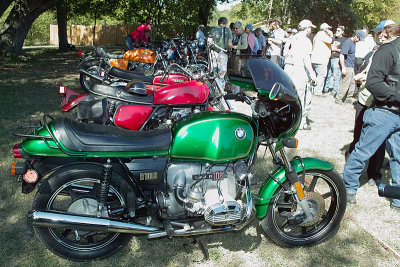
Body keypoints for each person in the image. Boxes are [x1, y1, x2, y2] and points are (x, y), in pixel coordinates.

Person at [343, 23, 400, 207]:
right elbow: (373, 82)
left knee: (398, 156)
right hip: (384, 111)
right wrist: (397, 97)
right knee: (363, 151)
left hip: (397, 112)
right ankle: (348, 188)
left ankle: (397, 197)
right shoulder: (388, 51)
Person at [284, 19, 317, 130]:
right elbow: (306, 60)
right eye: (310, 28)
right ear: (307, 28)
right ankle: (300, 122)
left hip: (287, 68)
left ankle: (288, 118)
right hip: (299, 70)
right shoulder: (306, 41)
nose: (310, 30)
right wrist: (312, 74)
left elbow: (285, 54)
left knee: (288, 95)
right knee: (300, 97)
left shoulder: (291, 38)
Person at [335, 30, 365, 104]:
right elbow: (342, 55)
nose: (359, 40)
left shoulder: (353, 43)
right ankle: (338, 99)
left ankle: (348, 98)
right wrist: (343, 68)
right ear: (356, 36)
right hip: (346, 66)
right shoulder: (348, 42)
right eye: (359, 39)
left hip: (351, 66)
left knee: (352, 83)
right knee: (345, 83)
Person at [311, 23, 333, 96]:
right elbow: (330, 41)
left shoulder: (318, 35)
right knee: (321, 76)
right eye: (328, 29)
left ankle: (312, 90)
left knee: (315, 76)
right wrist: (331, 35)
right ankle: (317, 92)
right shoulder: (322, 34)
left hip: (316, 59)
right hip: (320, 60)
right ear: (325, 29)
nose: (329, 30)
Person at [323, 26, 346, 95]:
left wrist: (335, 50)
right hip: (329, 58)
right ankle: (325, 89)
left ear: (342, 32)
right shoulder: (333, 38)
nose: (337, 32)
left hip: (337, 59)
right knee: (328, 75)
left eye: (339, 30)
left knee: (336, 76)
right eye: (336, 30)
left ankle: (334, 91)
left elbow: (344, 50)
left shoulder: (344, 40)